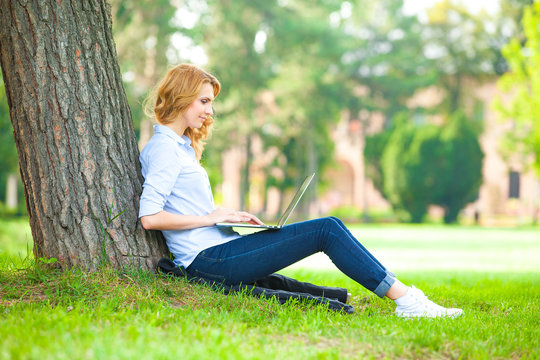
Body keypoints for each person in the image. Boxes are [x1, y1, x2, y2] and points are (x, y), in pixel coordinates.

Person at [139, 64, 463, 318]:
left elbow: (187, 207)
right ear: (181, 96)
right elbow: (150, 218)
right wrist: (210, 219)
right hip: (207, 260)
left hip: (219, 249)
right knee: (327, 228)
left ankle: (400, 296)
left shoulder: (179, 146)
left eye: (211, 102)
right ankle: (406, 300)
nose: (210, 110)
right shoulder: (164, 148)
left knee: (324, 233)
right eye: (204, 101)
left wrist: (226, 217)